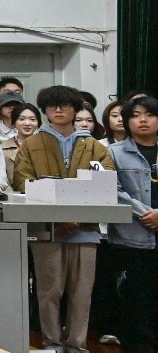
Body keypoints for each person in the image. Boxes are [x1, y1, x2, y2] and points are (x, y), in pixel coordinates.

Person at [12, 85, 115, 353]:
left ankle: (77, 345)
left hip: (86, 230)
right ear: (45, 110)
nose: (58, 110)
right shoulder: (32, 144)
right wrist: (57, 219)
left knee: (82, 294)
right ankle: (52, 344)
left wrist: (76, 219)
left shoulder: (93, 145)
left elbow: (105, 183)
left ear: (75, 109)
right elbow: (23, 182)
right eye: (52, 106)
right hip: (47, 231)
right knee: (49, 292)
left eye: (64, 105)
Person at [107, 95, 158, 353]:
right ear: (127, 121)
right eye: (135, 115)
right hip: (131, 240)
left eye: (149, 114)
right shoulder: (113, 153)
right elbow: (112, 191)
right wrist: (147, 214)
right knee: (135, 303)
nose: (142, 120)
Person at [1, 103, 42, 180]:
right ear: (14, 121)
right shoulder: (3, 149)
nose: (27, 123)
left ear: (38, 122)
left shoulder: (46, 146)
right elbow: (1, 178)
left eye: (32, 119)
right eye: (22, 119)